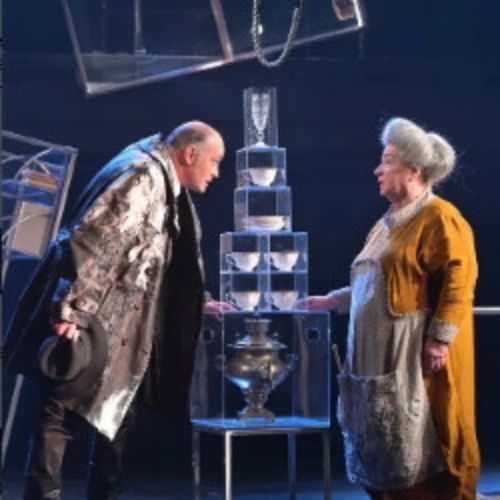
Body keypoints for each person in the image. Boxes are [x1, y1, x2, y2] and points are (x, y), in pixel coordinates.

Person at [4, 121, 234, 499]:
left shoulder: (159, 178)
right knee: (59, 408)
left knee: (118, 411)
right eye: (215, 161)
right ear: (190, 154)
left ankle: (103, 493)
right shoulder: (141, 175)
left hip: (122, 319)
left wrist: (198, 300)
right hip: (95, 314)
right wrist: (72, 308)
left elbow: (153, 253)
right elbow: (93, 236)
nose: (216, 172)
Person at [300, 117, 480, 499]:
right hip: (375, 360)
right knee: (383, 450)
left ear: (414, 170)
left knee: (430, 441)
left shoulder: (440, 217)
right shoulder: (384, 226)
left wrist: (439, 339)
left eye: (387, 161)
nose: (377, 170)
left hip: (411, 359)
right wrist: (332, 301)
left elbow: (460, 280)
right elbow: (371, 285)